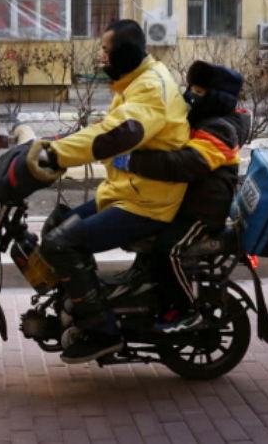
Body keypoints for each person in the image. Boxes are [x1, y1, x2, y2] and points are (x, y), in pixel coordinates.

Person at [25, 19, 190, 364]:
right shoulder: (134, 83)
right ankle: (86, 302)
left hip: (147, 202)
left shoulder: (150, 89)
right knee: (58, 226)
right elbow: (104, 129)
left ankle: (102, 331)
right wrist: (55, 143)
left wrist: (56, 154)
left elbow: (114, 135)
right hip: (126, 192)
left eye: (105, 49)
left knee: (62, 243)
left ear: (123, 53)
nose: (101, 56)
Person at [121, 60, 252, 333]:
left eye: (199, 91)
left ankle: (186, 310)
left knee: (169, 250)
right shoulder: (200, 119)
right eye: (190, 87)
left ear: (216, 97)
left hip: (202, 213)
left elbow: (184, 165)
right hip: (183, 205)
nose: (190, 94)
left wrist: (135, 161)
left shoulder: (220, 129)